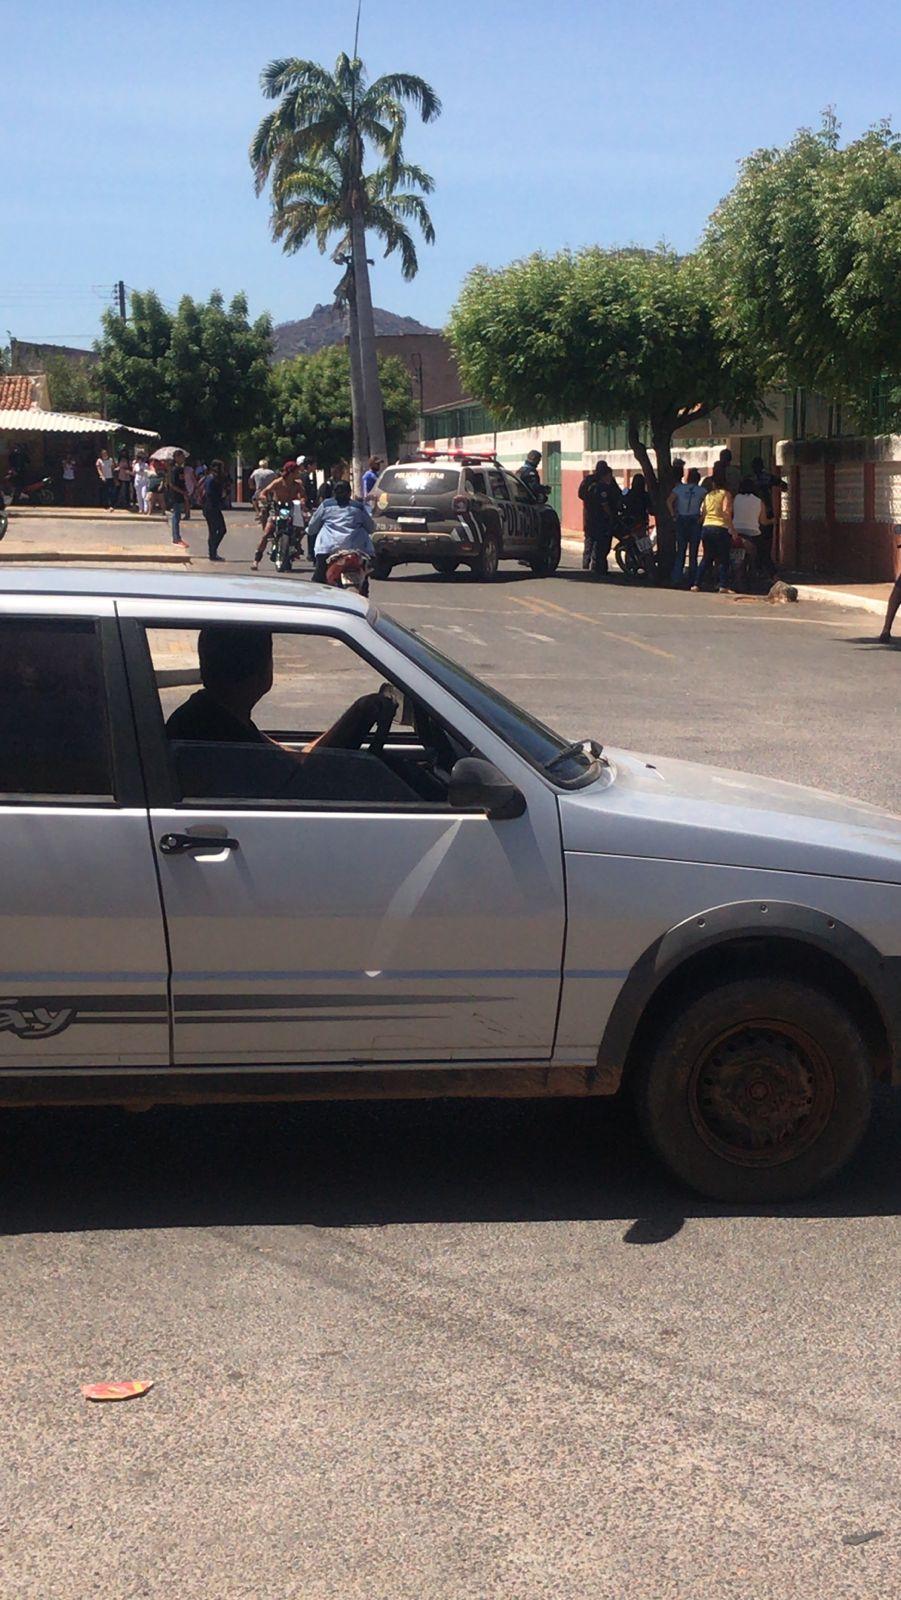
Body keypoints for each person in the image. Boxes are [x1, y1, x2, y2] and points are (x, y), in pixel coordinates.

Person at [165, 625, 387, 756]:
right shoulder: (217, 731)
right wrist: (358, 714)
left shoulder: (212, 711)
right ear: (262, 672)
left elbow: (294, 759)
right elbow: (303, 773)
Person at [307, 480, 376, 584]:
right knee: (364, 579)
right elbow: (370, 528)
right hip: (356, 549)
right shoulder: (358, 507)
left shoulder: (326, 505)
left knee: (318, 580)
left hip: (328, 549)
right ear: (350, 492)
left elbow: (312, 527)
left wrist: (310, 531)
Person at [251, 460, 304, 569]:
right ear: (290, 472)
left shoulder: (297, 484)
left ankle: (296, 547)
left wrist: (302, 501)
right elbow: (264, 492)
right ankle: (256, 560)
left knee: (301, 528)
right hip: (277, 509)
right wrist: (264, 498)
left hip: (291, 509)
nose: (298, 474)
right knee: (266, 533)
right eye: (297, 472)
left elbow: (303, 495)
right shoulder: (278, 482)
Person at [578, 461, 623, 577]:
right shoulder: (598, 482)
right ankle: (594, 565)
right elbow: (613, 497)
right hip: (600, 515)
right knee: (599, 540)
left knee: (590, 539)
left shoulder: (590, 480)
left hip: (590, 514)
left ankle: (588, 564)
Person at [696, 461, 735, 592]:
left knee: (707, 556)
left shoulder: (708, 496)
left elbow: (704, 513)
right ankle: (723, 585)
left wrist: (700, 522)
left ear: (713, 483)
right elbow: (726, 512)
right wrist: (732, 529)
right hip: (720, 528)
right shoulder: (726, 494)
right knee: (724, 558)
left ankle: (696, 583)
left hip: (707, 527)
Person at [668, 466, 706, 586]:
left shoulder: (679, 489)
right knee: (693, 551)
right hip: (695, 519)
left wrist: (673, 515)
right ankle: (693, 579)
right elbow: (707, 505)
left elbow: (669, 501)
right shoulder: (702, 491)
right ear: (698, 480)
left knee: (681, 550)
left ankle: (676, 578)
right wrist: (702, 517)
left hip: (681, 519)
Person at [751, 456, 787, 579]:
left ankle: (758, 568)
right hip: (767, 512)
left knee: (757, 542)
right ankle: (764, 568)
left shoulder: (750, 480)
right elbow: (783, 485)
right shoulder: (768, 478)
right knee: (766, 543)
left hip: (754, 514)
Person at [732, 476, 768, 581]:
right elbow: (763, 521)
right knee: (760, 552)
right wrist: (773, 520)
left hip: (736, 532)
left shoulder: (735, 499)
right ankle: (755, 571)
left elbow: (731, 515)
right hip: (752, 535)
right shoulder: (759, 501)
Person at [202, 459, 228, 561]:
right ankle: (212, 552)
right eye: (221, 467)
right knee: (218, 530)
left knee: (217, 530)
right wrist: (220, 496)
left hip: (213, 507)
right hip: (211, 507)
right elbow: (209, 493)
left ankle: (213, 552)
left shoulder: (215, 478)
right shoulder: (211, 478)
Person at [165, 449, 191, 548]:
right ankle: (176, 538)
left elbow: (182, 482)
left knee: (178, 516)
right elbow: (172, 484)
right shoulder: (174, 470)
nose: (183, 458)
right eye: (181, 457)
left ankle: (177, 537)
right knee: (176, 516)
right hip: (175, 495)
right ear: (176, 458)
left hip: (180, 495)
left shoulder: (181, 469)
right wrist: (182, 492)